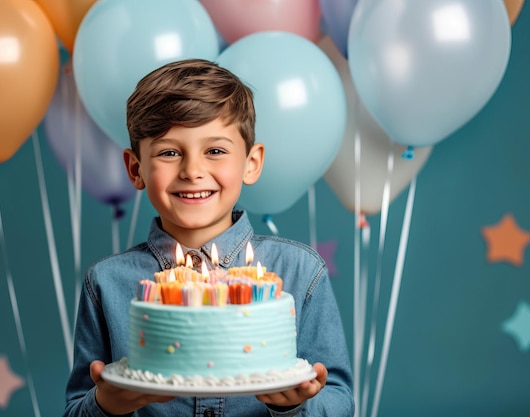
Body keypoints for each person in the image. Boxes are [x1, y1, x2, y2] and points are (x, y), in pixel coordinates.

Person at [64, 59, 354, 417]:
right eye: (169, 152)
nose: (192, 171)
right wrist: (105, 405)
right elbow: (76, 408)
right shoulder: (105, 282)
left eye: (215, 151)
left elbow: (339, 401)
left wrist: (296, 407)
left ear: (251, 162)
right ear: (135, 168)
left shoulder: (300, 271)